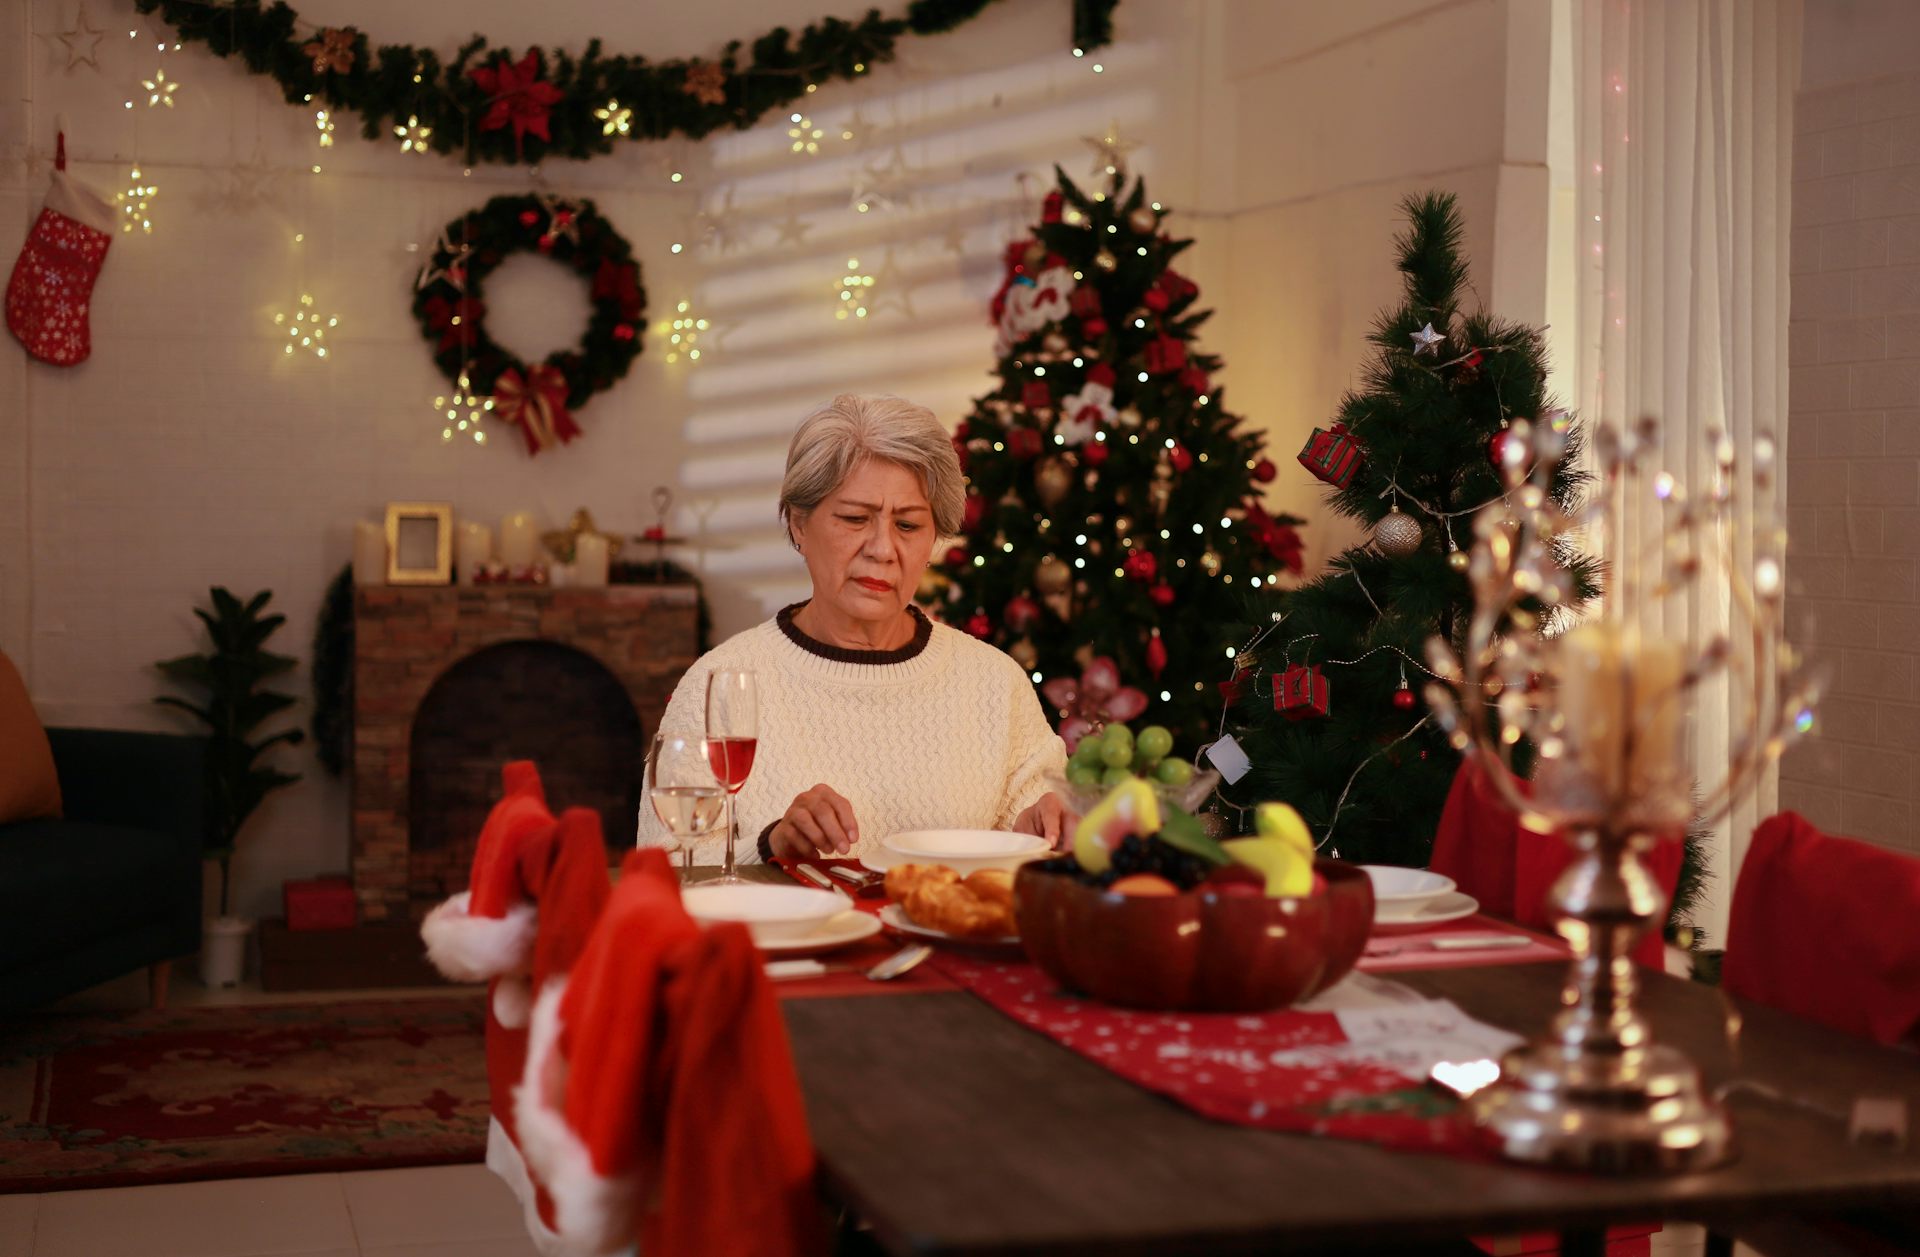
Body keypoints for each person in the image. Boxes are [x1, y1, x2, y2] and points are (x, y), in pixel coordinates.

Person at [637, 394, 1069, 865]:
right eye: (854, 518)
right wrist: (772, 845)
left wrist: (1042, 833)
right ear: (798, 524)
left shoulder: (993, 682)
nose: (883, 549)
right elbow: (663, 867)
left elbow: (1033, 843)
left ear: (933, 541)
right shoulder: (720, 682)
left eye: (907, 525)